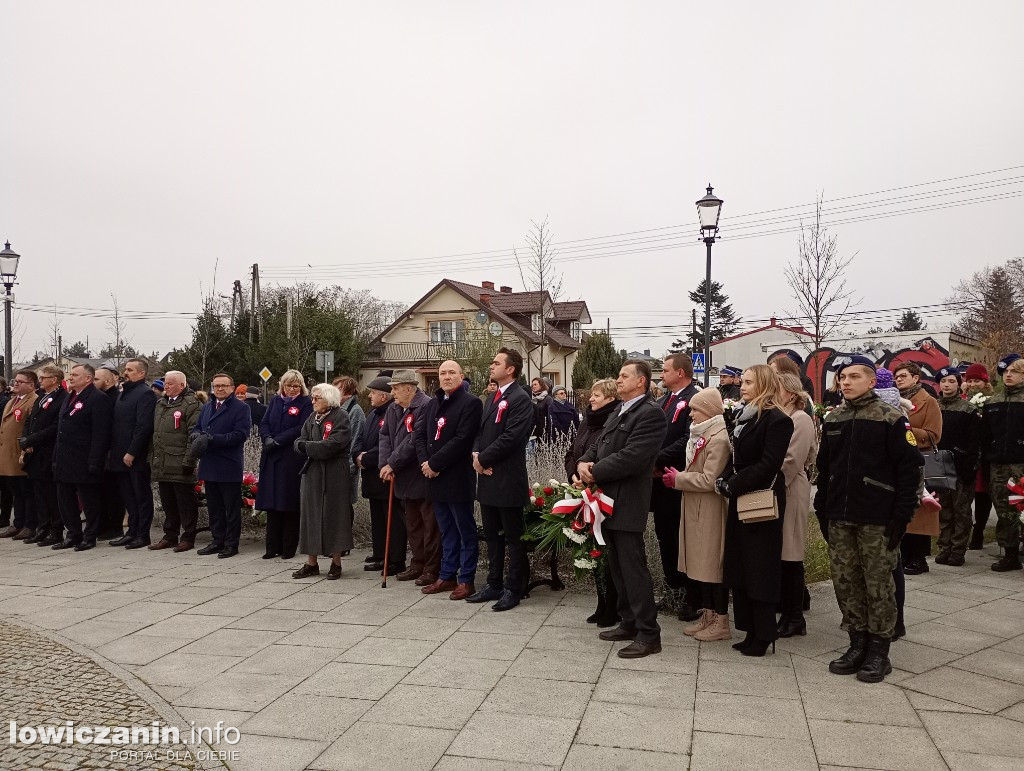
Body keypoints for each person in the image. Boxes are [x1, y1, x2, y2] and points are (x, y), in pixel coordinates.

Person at [815, 355, 923, 683]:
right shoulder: (834, 418)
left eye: (853, 377)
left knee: (878, 584)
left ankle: (879, 651)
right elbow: (826, 470)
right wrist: (823, 509)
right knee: (846, 582)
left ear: (872, 381)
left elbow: (909, 471)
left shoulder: (890, 418)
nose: (845, 382)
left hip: (878, 518)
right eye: (842, 377)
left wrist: (901, 519)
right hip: (840, 518)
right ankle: (856, 643)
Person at [578, 359, 668, 658]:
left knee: (633, 568)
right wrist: (584, 463)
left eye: (624, 375)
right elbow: (600, 443)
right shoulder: (620, 408)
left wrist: (596, 471)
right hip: (606, 499)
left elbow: (635, 457)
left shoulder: (650, 414)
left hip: (627, 500)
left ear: (641, 381)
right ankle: (628, 621)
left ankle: (648, 633)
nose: (618, 379)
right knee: (617, 566)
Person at [714, 365, 793, 657]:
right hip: (741, 494)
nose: (742, 387)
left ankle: (764, 633)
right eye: (743, 382)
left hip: (761, 497)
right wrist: (724, 478)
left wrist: (733, 484)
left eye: (748, 382)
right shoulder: (744, 415)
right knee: (740, 563)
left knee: (760, 564)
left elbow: (768, 464)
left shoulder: (777, 419)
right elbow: (737, 456)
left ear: (764, 384)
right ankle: (749, 630)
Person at [662, 387, 732, 642]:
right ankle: (708, 614)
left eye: (695, 409)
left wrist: (678, 478)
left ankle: (721, 621)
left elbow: (710, 478)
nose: (690, 414)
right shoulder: (701, 434)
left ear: (708, 411)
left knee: (712, 564)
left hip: (709, 508)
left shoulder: (718, 438)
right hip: (696, 506)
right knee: (701, 564)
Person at [470, 348, 534, 611]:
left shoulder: (520, 399)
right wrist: (476, 453)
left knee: (513, 537)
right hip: (487, 479)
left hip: (507, 478)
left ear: (510, 369)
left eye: (496, 362)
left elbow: (513, 437)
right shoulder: (492, 397)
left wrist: (483, 459)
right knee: (492, 535)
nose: (491, 365)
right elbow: (481, 431)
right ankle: (493, 583)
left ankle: (513, 587)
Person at [416, 360, 483, 600]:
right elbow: (421, 435)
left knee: (464, 530)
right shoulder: (433, 403)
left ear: (461, 376)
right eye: (442, 373)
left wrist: (434, 464)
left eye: (451, 373)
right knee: (445, 531)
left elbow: (463, 439)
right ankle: (446, 575)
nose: (446, 377)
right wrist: (426, 463)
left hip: (456, 477)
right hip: (434, 478)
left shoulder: (471, 403)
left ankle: (466, 580)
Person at [566, 378, 621, 626]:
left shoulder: (613, 421)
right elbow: (572, 452)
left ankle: (614, 606)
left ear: (610, 398)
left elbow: (606, 456)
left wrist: (591, 477)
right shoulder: (588, 420)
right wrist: (574, 475)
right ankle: (602, 602)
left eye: (596, 395)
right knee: (592, 550)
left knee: (607, 551)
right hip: (582, 489)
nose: (591, 399)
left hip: (602, 493)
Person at [650, 353, 701, 621]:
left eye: (666, 369)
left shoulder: (694, 398)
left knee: (683, 541)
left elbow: (688, 439)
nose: (661, 373)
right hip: (659, 484)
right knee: (665, 538)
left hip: (677, 478)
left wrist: (658, 458)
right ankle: (673, 592)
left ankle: (691, 597)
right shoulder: (663, 401)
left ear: (680, 373)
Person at [380, 370, 439, 586]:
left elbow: (415, 440)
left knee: (429, 524)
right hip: (402, 475)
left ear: (409, 387)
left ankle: (432, 568)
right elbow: (385, 435)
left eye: (395, 387)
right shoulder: (394, 408)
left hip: (420, 473)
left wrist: (391, 463)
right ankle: (417, 563)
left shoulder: (425, 405)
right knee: (413, 523)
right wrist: (385, 463)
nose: (392, 392)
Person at [292, 383, 353, 580]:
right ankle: (311, 563)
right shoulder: (312, 418)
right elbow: (298, 441)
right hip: (313, 473)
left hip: (335, 474)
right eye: (313, 397)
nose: (313, 401)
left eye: (317, 398)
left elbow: (332, 445)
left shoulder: (341, 417)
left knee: (335, 516)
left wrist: (308, 447)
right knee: (311, 516)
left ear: (329, 399)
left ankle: (336, 563)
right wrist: (310, 446)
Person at [189, 373, 252, 558]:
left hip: (228, 464)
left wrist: (212, 439)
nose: (220, 389)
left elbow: (240, 435)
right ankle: (217, 541)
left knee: (231, 508)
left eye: (224, 386)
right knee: (214, 507)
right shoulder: (208, 407)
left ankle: (231, 544)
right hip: (209, 464)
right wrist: (196, 435)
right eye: (216, 386)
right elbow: (198, 427)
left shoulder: (241, 408)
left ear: (232, 388)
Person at [52, 364, 113, 550]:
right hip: (64, 458)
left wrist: (95, 461)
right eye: (71, 374)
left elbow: (100, 434)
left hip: (84, 459)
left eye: (75, 375)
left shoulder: (97, 398)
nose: (70, 377)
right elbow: (61, 428)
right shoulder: (70, 397)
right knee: (65, 499)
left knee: (89, 500)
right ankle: (73, 533)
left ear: (88, 378)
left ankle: (90, 535)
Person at [776, 371, 817, 637]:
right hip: (780, 487)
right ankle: (788, 610)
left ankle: (794, 617)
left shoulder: (799, 419)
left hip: (790, 487)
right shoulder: (782, 417)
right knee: (782, 552)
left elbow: (793, 460)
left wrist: (768, 477)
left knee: (791, 553)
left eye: (776, 389)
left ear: (791, 393)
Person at [256, 370, 313, 560]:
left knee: (288, 503)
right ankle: (272, 547)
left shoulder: (305, 403)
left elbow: (300, 427)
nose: (292, 389)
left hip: (290, 457)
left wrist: (278, 440)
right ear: (283, 386)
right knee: (272, 504)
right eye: (289, 385)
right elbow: (264, 423)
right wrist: (266, 438)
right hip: (271, 457)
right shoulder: (275, 401)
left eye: (296, 386)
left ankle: (288, 547)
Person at [893, 362, 942, 575]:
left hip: (920, 460)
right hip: (898, 462)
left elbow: (934, 435)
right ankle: (904, 556)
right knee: (903, 509)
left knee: (921, 513)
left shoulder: (928, 401)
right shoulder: (891, 400)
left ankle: (919, 558)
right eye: (896, 376)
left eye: (903, 375)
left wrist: (906, 430)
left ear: (916, 377)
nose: (899, 379)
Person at [356, 376, 406, 574]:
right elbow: (361, 438)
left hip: (384, 473)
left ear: (384, 396)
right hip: (370, 474)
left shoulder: (391, 413)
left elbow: (388, 444)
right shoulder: (372, 414)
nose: (370, 396)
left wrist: (366, 458)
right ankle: (380, 554)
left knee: (392, 519)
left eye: (373, 392)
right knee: (377, 517)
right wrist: (357, 455)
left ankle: (395, 558)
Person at [148, 371, 202, 552]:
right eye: (165, 383)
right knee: (168, 502)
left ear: (182, 385)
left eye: (171, 383)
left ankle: (188, 536)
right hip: (162, 460)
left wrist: (189, 461)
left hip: (180, 462)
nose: (167, 386)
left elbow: (193, 435)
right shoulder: (161, 403)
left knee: (185, 503)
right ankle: (170, 535)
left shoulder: (191, 404)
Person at [980, 355, 1024, 571]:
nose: (1008, 375)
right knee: (1004, 510)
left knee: (1022, 510)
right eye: (1005, 371)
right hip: (998, 466)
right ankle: (1010, 554)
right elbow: (985, 436)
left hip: (1021, 465)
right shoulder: (993, 402)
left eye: (1014, 371)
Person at [107, 358, 157, 549]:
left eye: (129, 369)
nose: (125, 372)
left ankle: (143, 534)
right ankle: (132, 531)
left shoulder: (145, 394)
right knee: (128, 497)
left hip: (135, 457)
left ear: (141, 374)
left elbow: (143, 427)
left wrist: (132, 452)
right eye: (125, 369)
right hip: (120, 455)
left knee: (140, 496)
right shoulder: (123, 393)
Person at [934, 366, 980, 566]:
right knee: (943, 510)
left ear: (959, 384)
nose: (947, 385)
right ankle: (944, 547)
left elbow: (975, 442)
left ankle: (958, 549)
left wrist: (970, 467)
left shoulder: (968, 409)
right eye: (944, 381)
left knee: (961, 511)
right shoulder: (934, 406)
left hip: (961, 468)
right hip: (938, 467)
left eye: (951, 381)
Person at [21, 366, 67, 546]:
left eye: (43, 378)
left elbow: (55, 426)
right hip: (35, 452)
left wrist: (32, 439)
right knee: (39, 493)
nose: (40, 381)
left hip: (48, 451)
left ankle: (56, 530)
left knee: (50, 494)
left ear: (54, 379)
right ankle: (43, 527)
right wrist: (26, 440)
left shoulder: (61, 398)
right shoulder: (41, 397)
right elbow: (30, 420)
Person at [0, 370, 39, 540]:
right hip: (7, 453)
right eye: (15, 381)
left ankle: (29, 525)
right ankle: (17, 523)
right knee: (16, 491)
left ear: (31, 385)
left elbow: (30, 428)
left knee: (26, 491)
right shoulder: (12, 401)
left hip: (20, 453)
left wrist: (25, 448)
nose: (15, 383)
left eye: (20, 382)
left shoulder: (33, 401)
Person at [963, 362, 994, 549]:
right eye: (970, 380)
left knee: (982, 495)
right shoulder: (962, 399)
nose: (973, 384)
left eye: (977, 380)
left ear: (985, 382)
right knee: (965, 496)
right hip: (966, 454)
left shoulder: (990, 400)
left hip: (984, 456)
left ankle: (979, 531)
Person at [93, 364, 126, 540]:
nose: (93, 382)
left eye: (96, 379)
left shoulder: (116, 398)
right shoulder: (97, 397)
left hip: (111, 452)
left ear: (107, 380)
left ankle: (115, 527)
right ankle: (102, 525)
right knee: (100, 492)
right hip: (99, 452)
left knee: (113, 492)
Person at [334, 376, 365, 506]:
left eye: (338, 390)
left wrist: (347, 472)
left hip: (344, 471)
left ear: (349, 393)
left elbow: (354, 443)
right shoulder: (336, 409)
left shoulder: (355, 411)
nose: (334, 393)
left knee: (344, 507)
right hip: (334, 470)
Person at [530, 377, 553, 444]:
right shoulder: (531, 398)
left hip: (543, 431)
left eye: (535, 384)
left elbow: (550, 417)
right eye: (532, 385)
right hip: (532, 431)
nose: (533, 386)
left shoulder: (548, 399)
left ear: (541, 385)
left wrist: (548, 432)